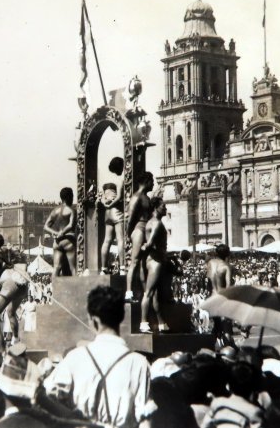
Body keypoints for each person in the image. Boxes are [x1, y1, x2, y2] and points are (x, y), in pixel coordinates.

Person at [45, 286, 151, 428]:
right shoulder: (140, 363)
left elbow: (48, 396)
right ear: (121, 316)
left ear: (93, 320)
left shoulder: (75, 358)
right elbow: (146, 421)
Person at [139, 197, 169, 333]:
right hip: (156, 261)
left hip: (152, 260)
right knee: (149, 293)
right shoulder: (156, 224)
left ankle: (161, 323)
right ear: (156, 207)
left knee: (154, 294)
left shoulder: (149, 223)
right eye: (163, 206)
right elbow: (150, 244)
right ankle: (144, 323)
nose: (165, 209)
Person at [126, 171, 155, 302]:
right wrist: (128, 233)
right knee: (135, 261)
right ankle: (128, 292)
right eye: (152, 181)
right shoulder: (136, 197)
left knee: (144, 263)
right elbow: (130, 217)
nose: (153, 183)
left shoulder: (146, 198)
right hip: (138, 229)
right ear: (146, 181)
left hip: (146, 230)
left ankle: (143, 292)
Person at [206, 243, 236, 348]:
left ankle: (213, 347)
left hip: (211, 298)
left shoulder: (210, 263)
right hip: (222, 299)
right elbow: (228, 287)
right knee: (226, 327)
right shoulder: (226, 266)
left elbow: (208, 281)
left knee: (217, 326)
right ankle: (228, 349)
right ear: (227, 254)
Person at [100, 157, 126, 275]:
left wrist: (105, 204)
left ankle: (103, 268)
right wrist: (112, 204)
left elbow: (101, 197)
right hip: (116, 211)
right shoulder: (120, 179)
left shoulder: (105, 181)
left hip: (107, 213)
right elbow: (119, 197)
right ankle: (122, 267)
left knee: (107, 240)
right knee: (120, 239)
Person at [44, 187, 77, 276]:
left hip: (57, 242)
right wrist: (62, 233)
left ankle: (54, 289)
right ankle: (78, 289)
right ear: (69, 197)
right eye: (72, 196)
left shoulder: (55, 210)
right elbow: (70, 225)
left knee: (56, 267)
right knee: (73, 268)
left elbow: (46, 226)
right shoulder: (71, 210)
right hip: (68, 240)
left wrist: (55, 233)